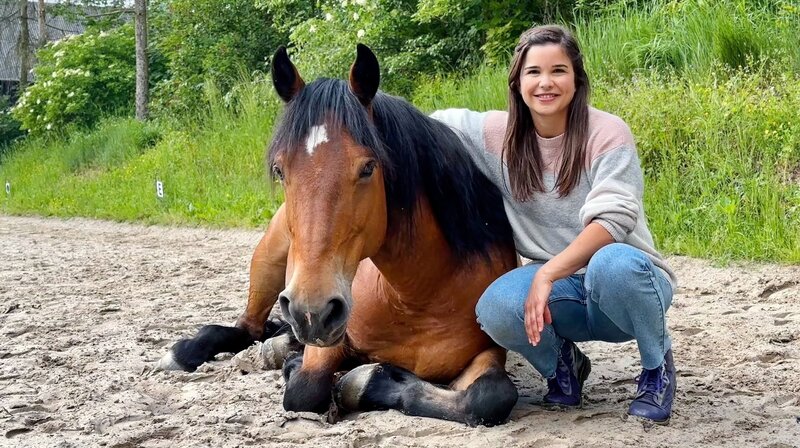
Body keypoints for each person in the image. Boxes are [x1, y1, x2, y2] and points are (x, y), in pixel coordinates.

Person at [431, 24, 677, 423]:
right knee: (493, 306)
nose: (546, 83)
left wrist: (545, 274)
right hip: (562, 296)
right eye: (534, 72)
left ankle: (656, 368)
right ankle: (564, 366)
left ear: (577, 80)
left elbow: (611, 221)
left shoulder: (608, 132)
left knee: (612, 263)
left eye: (558, 71)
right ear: (517, 82)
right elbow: (426, 122)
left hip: (626, 289)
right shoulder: (498, 135)